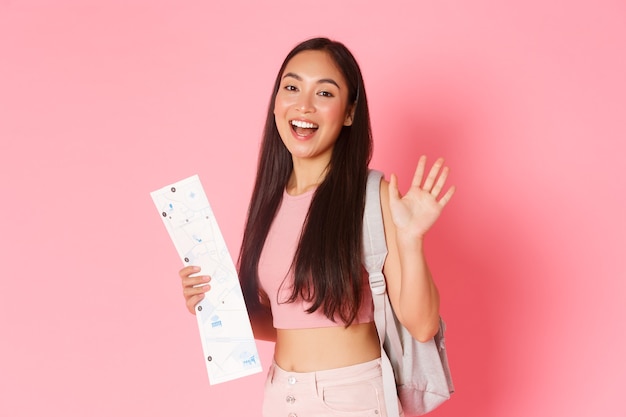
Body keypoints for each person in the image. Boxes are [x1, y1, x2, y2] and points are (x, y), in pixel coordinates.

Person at [178, 37, 455, 417]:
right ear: (276, 103)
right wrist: (212, 306)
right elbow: (284, 323)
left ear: (349, 114)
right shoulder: (270, 202)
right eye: (291, 87)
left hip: (350, 398)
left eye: (324, 92)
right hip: (280, 397)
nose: (303, 105)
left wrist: (411, 240)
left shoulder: (371, 194)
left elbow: (421, 326)